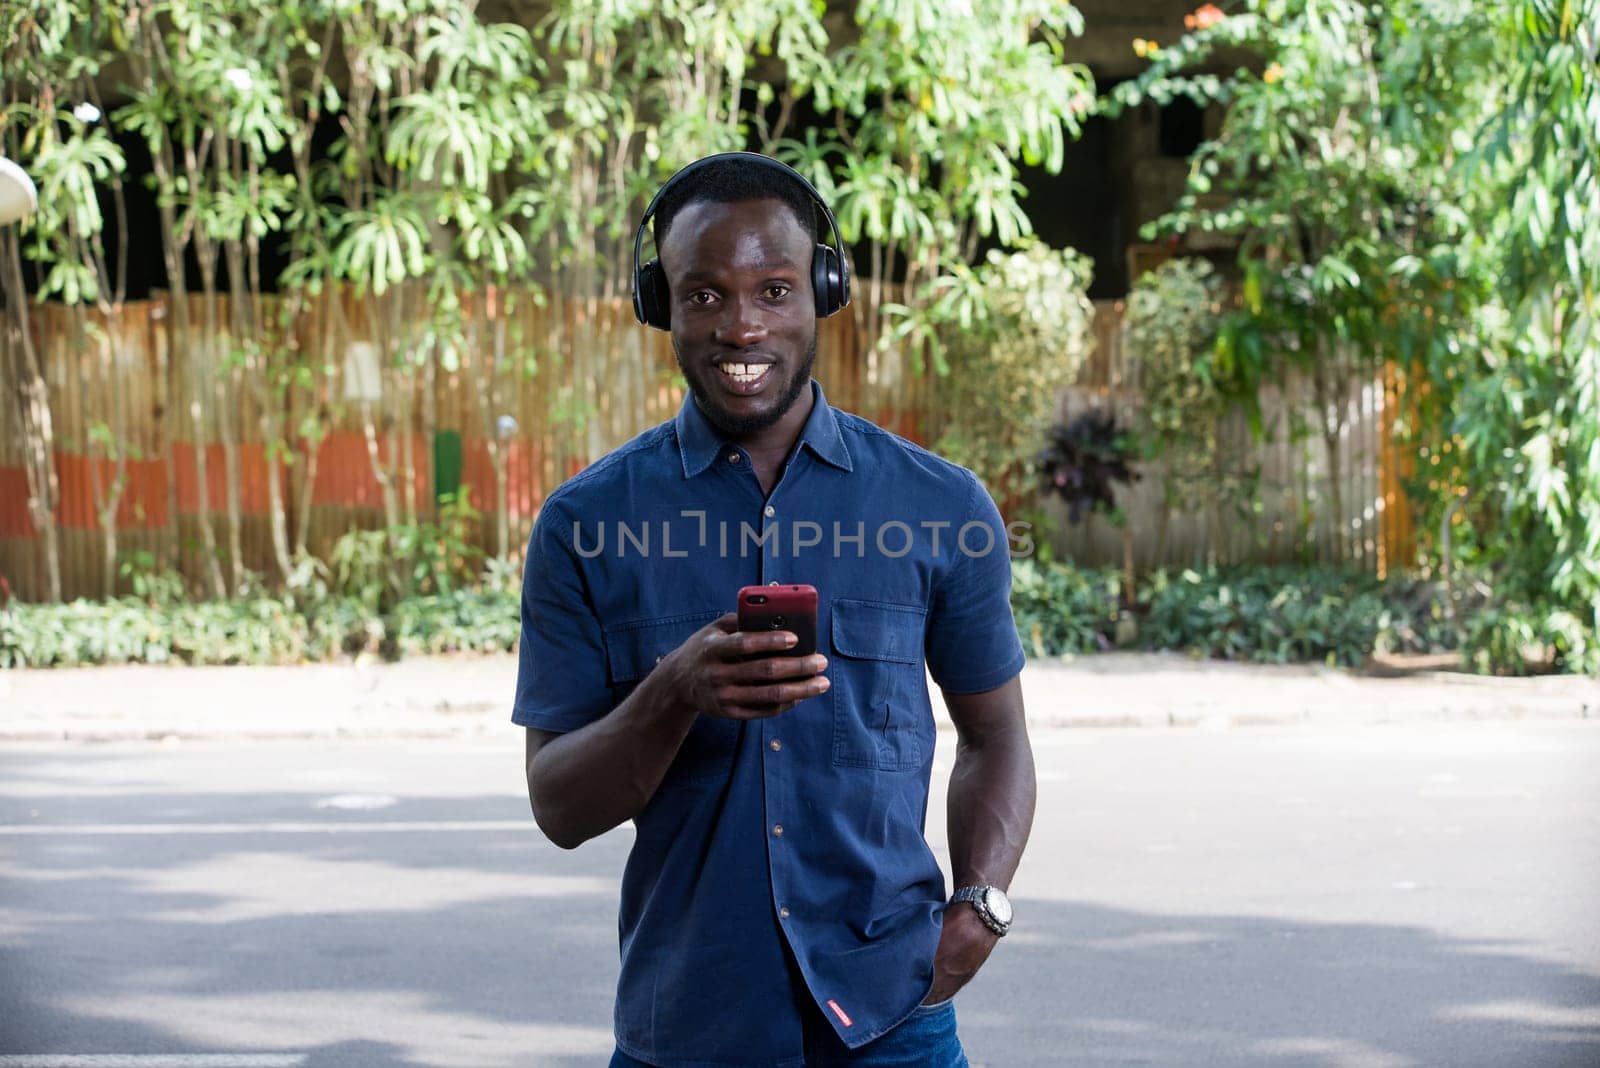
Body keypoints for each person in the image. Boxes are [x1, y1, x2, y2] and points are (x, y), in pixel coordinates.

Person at [514, 152, 1036, 1067]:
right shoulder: (584, 525)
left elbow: (995, 738)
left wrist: (982, 904)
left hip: (894, 1019)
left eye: (775, 288)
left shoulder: (941, 506)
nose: (742, 325)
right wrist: (673, 690)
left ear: (823, 292)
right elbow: (560, 808)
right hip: (687, 1026)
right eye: (705, 295)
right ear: (661, 306)